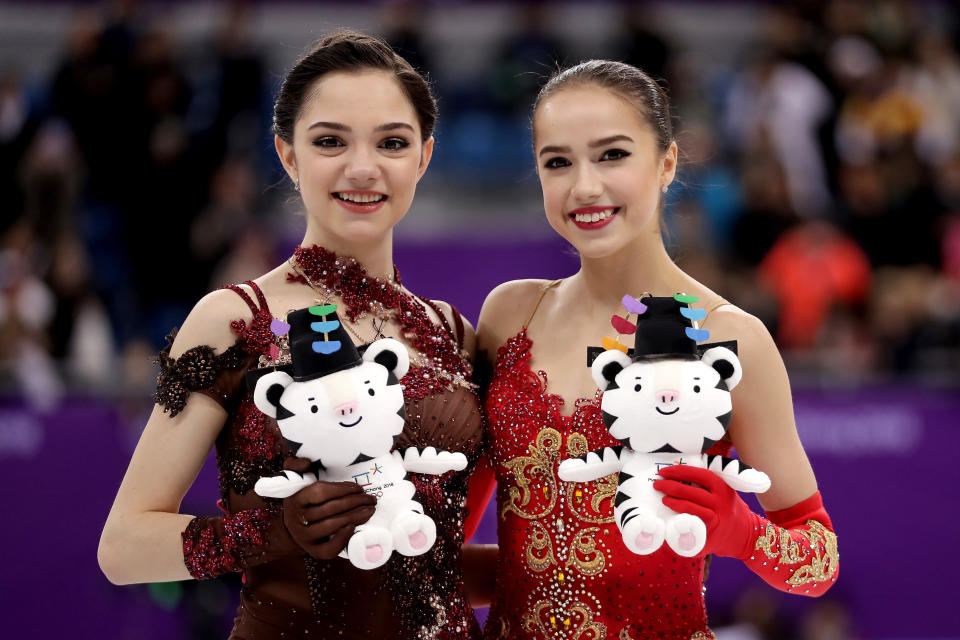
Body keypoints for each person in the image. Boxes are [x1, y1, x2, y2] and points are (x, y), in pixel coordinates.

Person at [98, 31, 487, 639]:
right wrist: (272, 531)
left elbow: (435, 562)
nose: (363, 167)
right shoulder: (234, 319)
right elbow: (122, 548)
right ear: (287, 155)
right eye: (331, 141)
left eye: (391, 142)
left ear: (423, 157)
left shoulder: (453, 332)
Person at [474, 60, 839, 639]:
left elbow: (818, 560)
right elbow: (449, 550)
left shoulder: (732, 336)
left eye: (612, 155)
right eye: (558, 162)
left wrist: (742, 533)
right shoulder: (511, 314)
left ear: (667, 162)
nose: (584, 186)